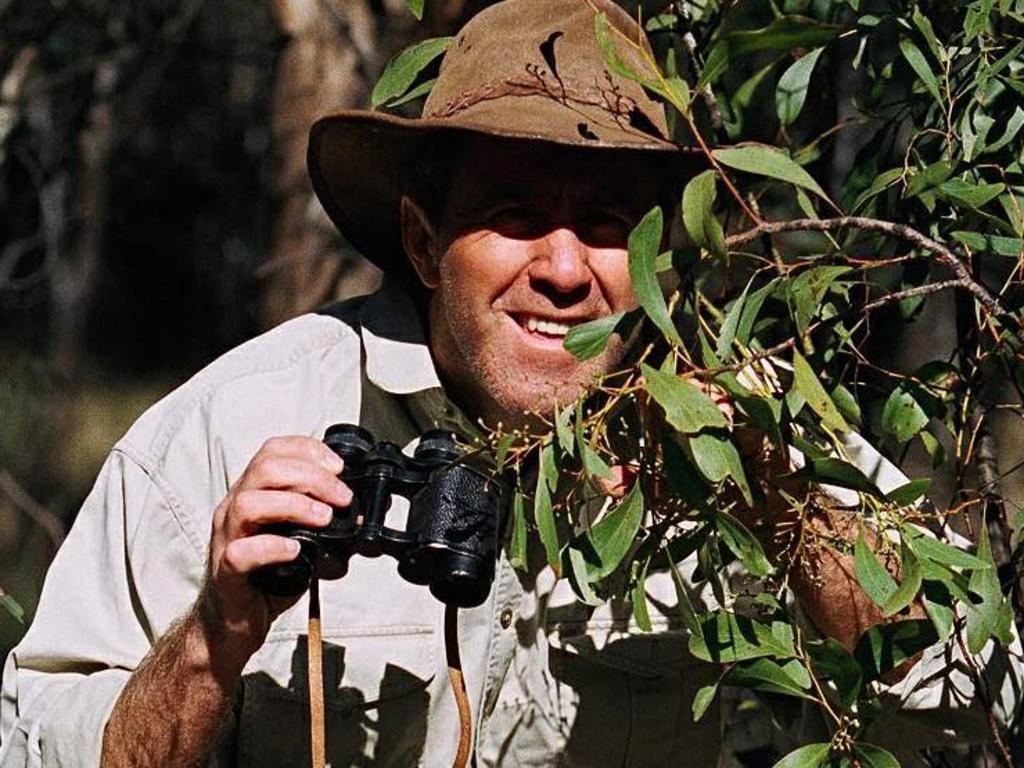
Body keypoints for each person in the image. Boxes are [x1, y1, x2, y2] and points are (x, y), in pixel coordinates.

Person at [1, 1, 1019, 766]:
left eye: (611, 222)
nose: (567, 270)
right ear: (424, 240)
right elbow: (41, 748)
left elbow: (975, 699)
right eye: (519, 212)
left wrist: (775, 498)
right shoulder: (237, 425)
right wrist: (213, 640)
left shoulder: (732, 420)